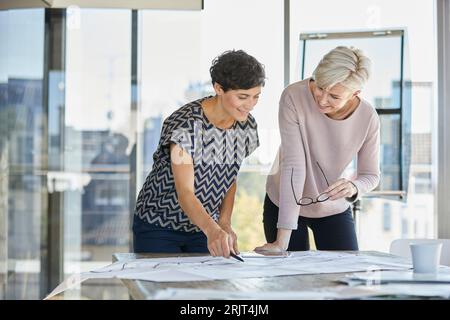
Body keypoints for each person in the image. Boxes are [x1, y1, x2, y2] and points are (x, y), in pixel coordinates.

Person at [133, 49, 265, 258]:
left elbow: (229, 179)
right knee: (160, 288)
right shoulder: (185, 124)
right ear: (218, 88)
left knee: (205, 288)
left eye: (256, 97)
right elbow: (185, 191)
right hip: (159, 224)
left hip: (204, 227)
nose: (250, 105)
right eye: (243, 97)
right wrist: (212, 229)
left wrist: (224, 222)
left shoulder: (246, 126)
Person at [255, 46, 380, 252]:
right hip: (284, 203)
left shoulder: (368, 117)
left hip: (333, 207)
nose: (322, 100)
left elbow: (370, 175)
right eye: (320, 87)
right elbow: (294, 165)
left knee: (343, 277)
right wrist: (281, 242)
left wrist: (354, 187)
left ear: (354, 93)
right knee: (292, 279)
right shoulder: (294, 96)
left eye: (334, 96)